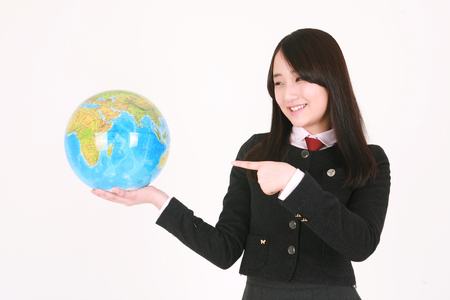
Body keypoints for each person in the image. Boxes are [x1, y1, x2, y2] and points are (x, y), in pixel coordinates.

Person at [92, 28, 391, 300]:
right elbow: (224, 250)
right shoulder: (255, 151)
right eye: (278, 82)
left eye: (300, 78)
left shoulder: (369, 160)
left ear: (331, 79)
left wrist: (294, 184)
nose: (288, 94)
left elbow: (360, 244)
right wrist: (157, 200)